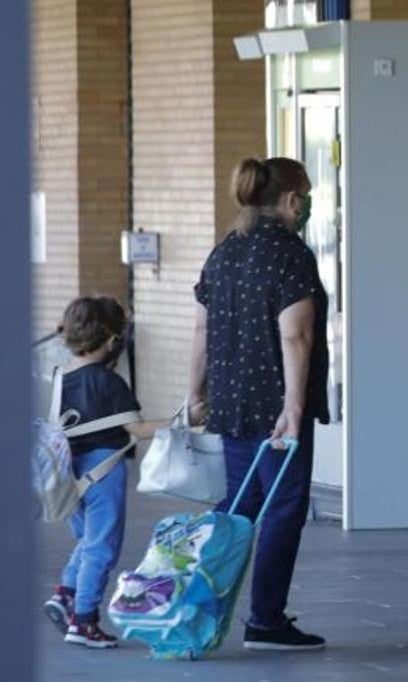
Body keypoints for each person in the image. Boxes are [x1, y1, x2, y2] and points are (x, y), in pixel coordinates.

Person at [188, 157, 329, 651]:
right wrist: (293, 408)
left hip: (231, 400)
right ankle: (265, 620)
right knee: (283, 507)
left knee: (240, 506)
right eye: (306, 195)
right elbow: (297, 337)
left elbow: (202, 328)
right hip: (274, 406)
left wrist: (195, 391)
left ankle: (193, 600)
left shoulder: (225, 251)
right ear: (292, 200)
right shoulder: (290, 255)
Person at [42, 296, 166, 648]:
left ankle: (65, 595)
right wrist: (183, 423)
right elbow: (137, 430)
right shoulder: (109, 383)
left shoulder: (57, 377)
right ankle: (84, 621)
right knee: (102, 548)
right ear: (113, 340)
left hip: (67, 475)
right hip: (104, 472)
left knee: (87, 541)